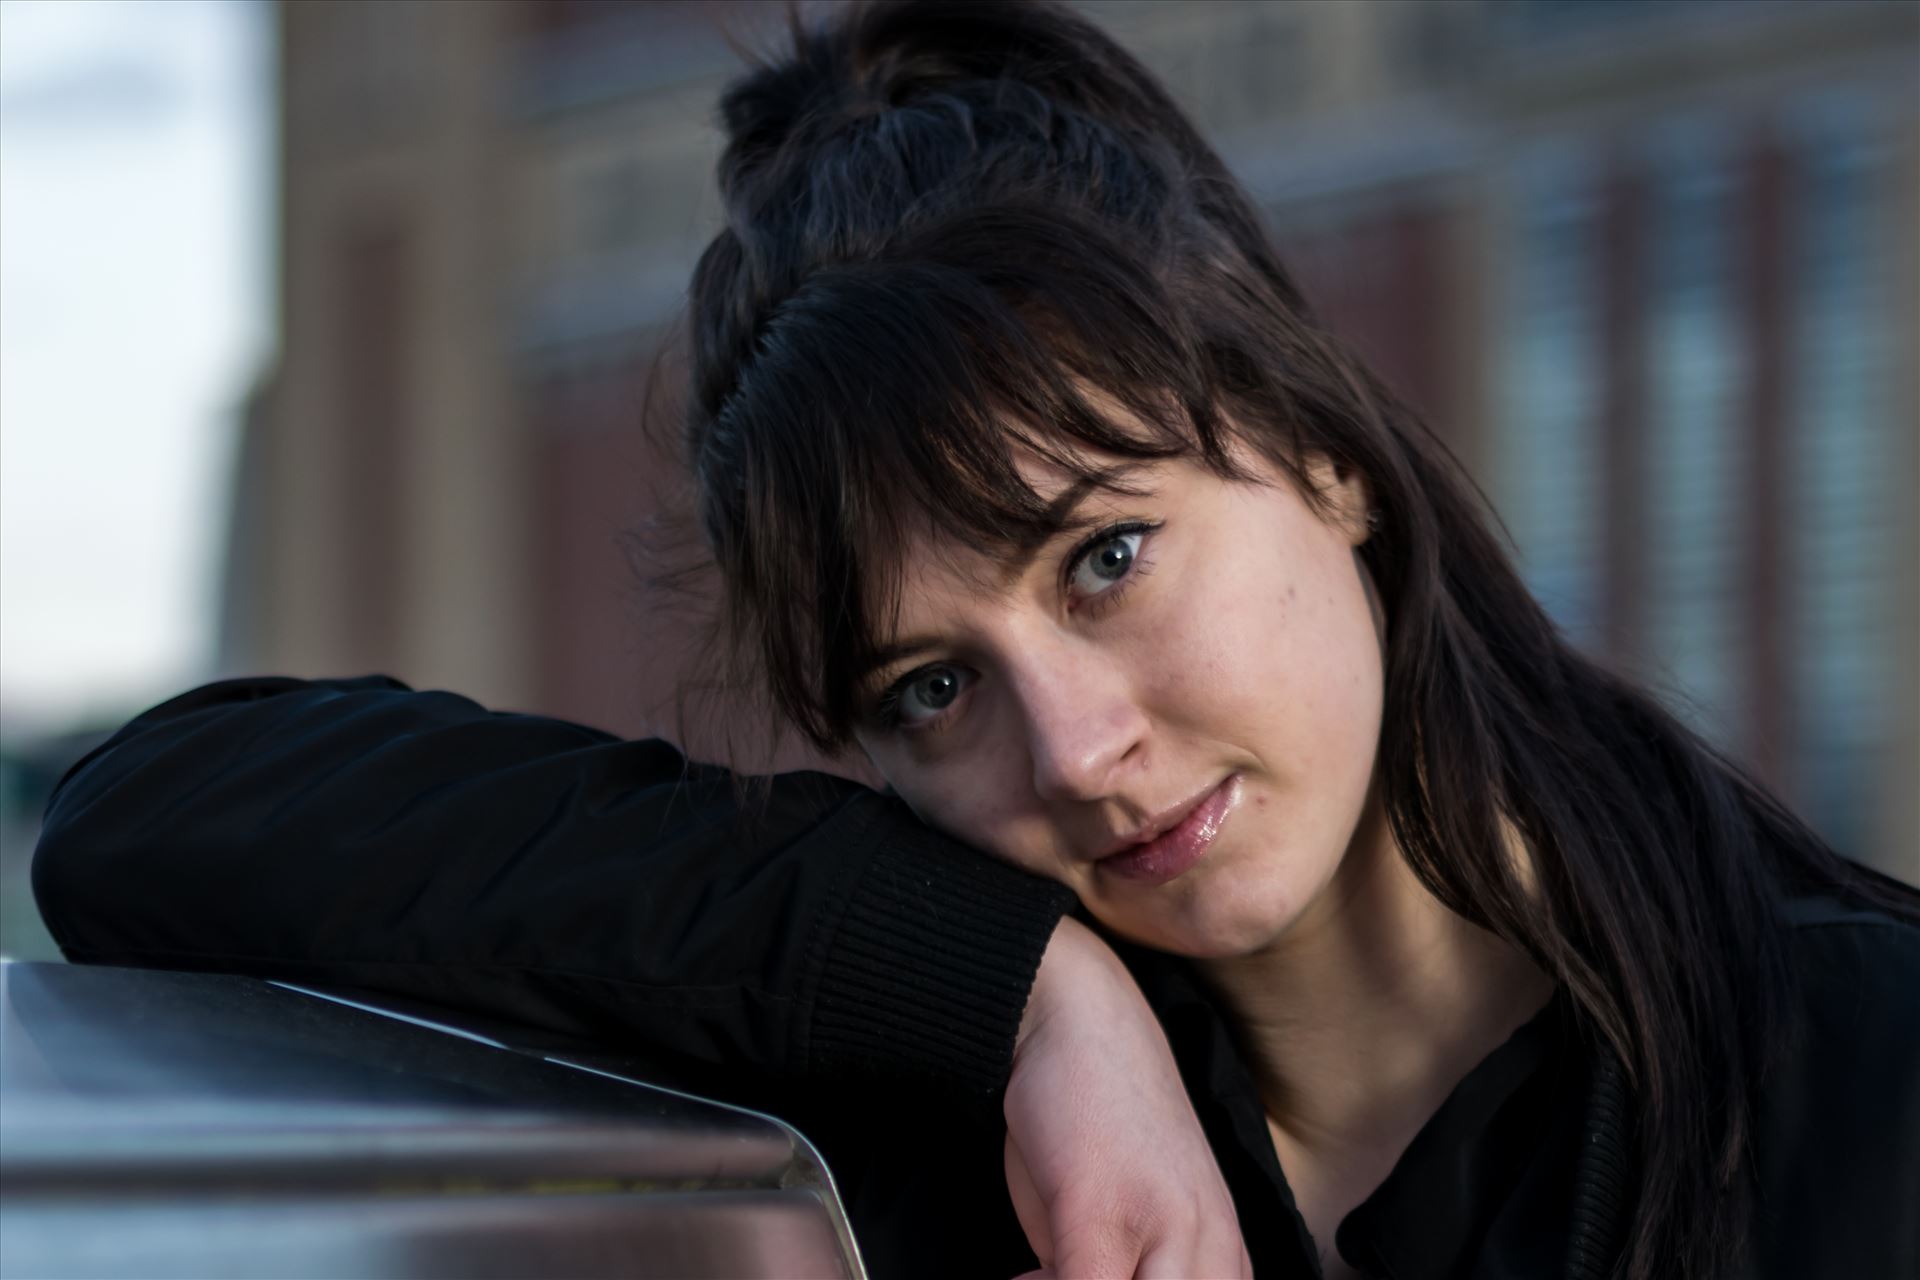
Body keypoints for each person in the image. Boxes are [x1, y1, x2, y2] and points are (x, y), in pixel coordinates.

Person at [32, 3, 1920, 1278]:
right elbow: (150, 817)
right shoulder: (933, 1126)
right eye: (931, 689)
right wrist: (1027, 991)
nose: (1075, 752)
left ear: (1329, 456)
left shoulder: (1860, 1071)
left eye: (1104, 558)